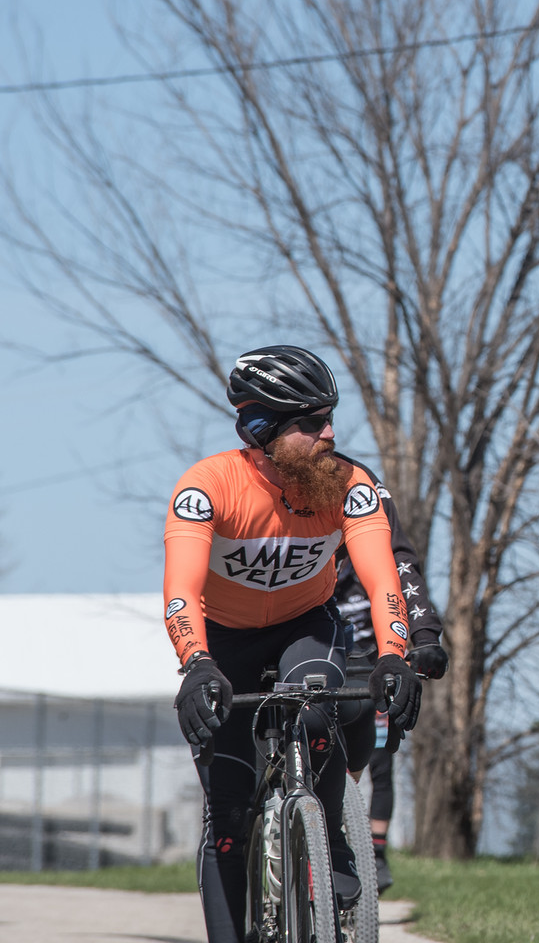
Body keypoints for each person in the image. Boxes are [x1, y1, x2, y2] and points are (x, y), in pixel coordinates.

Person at [163, 344, 422, 943]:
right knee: (227, 816)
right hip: (224, 640)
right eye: (311, 422)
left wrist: (394, 656)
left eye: (330, 416)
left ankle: (329, 833)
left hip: (305, 626)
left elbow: (384, 581)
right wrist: (196, 663)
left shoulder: (348, 484)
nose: (330, 432)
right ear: (263, 430)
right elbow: (180, 591)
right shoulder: (209, 486)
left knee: (316, 701)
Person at [331, 461, 448, 893]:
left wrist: (425, 635)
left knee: (378, 760)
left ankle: (373, 852)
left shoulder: (359, 484)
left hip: (368, 661)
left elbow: (402, 564)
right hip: (308, 647)